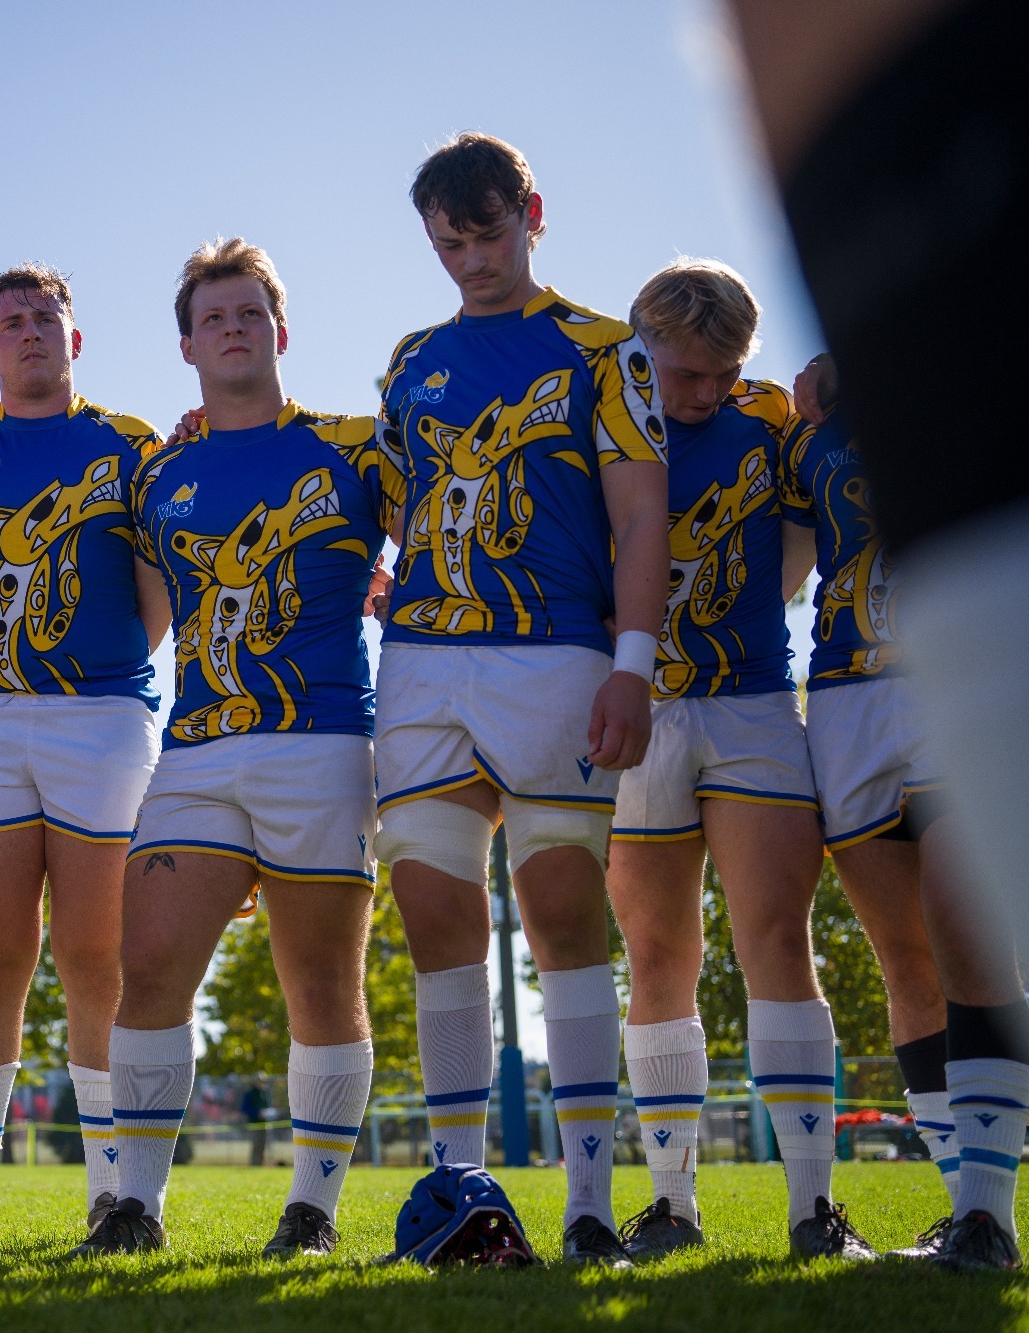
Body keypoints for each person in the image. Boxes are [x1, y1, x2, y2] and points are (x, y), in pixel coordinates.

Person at [371, 133, 668, 1266]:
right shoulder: (408, 356)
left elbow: (641, 516)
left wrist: (631, 665)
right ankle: (464, 1201)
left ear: (529, 211)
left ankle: (588, 1205)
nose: (469, 260)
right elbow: (387, 498)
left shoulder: (603, 348)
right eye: (446, 243)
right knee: (435, 922)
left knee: (560, 919)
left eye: (485, 233)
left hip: (555, 656)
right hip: (421, 666)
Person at [75, 237, 394, 1259]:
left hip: (324, 741)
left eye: (248, 313)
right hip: (197, 748)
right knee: (149, 962)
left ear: (279, 330)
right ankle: (134, 1206)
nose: (231, 328)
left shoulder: (358, 447)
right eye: (212, 317)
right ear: (186, 345)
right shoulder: (157, 469)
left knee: (320, 987)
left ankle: (310, 1210)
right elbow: (143, 615)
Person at [605, 259, 876, 1261]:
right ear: (639, 346)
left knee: (774, 935)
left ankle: (813, 1209)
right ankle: (671, 1205)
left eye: (721, 374)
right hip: (645, 714)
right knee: (658, 953)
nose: (703, 394)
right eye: (683, 375)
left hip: (755, 700)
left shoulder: (767, 418)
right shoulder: (596, 419)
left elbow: (804, 541)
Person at [0, 262, 170, 1249]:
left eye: (45, 317)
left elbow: (160, 587)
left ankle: (111, 1191)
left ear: (75, 338)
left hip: (103, 716)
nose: (28, 332)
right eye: (10, 322)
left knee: (97, 957)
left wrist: (94, 660)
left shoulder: (128, 443)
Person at [784, 352, 1020, 1270]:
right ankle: (968, 1213)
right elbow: (779, 569)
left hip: (956, 673)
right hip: (843, 694)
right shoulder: (805, 433)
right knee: (905, 958)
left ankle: (990, 1218)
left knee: (970, 927)